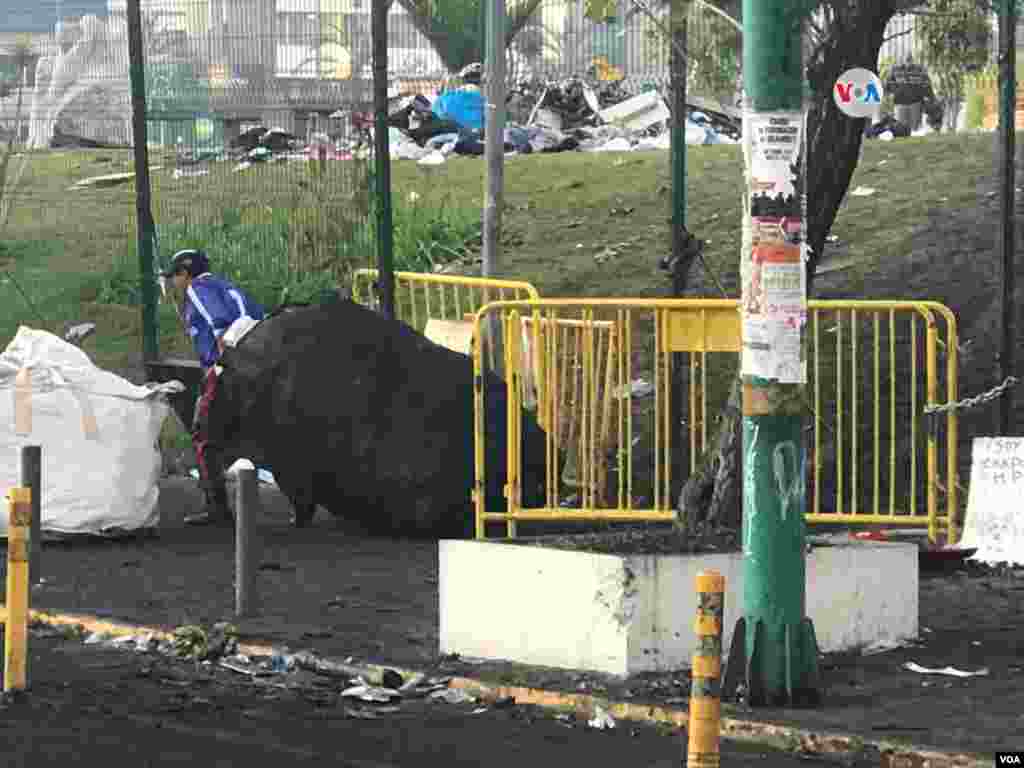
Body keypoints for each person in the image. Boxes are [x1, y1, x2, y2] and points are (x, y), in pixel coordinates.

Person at [160, 249, 265, 526]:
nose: (174, 283)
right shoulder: (228, 286)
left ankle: (217, 508)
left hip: (227, 370)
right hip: (259, 367)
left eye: (175, 276)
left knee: (203, 434)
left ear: (186, 273)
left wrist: (224, 361)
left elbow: (218, 323)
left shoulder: (199, 289)